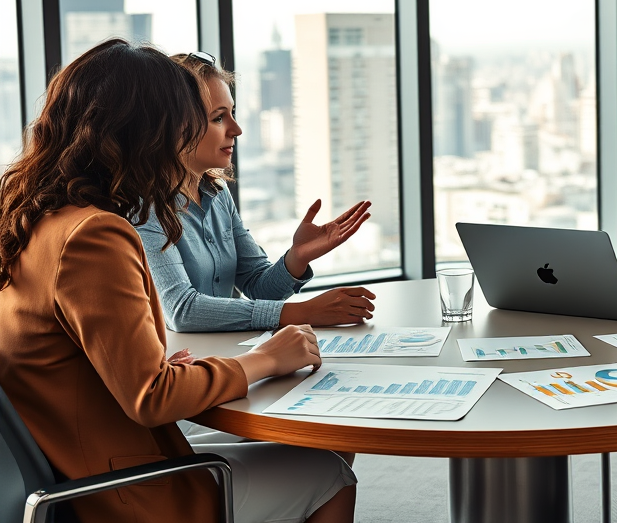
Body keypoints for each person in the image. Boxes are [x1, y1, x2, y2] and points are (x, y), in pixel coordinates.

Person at [0, 39, 356, 523]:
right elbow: (152, 399)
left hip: (83, 451)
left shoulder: (36, 215)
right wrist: (266, 358)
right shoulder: (96, 234)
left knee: (312, 439)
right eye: (188, 120)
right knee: (331, 471)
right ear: (149, 132)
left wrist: (153, 359)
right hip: (118, 484)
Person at [136, 51, 377, 333]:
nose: (236, 130)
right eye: (218, 118)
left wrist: (297, 257)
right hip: (181, 367)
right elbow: (182, 311)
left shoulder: (217, 193)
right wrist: (304, 312)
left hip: (228, 355)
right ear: (175, 127)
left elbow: (260, 289)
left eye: (232, 114)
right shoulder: (143, 209)